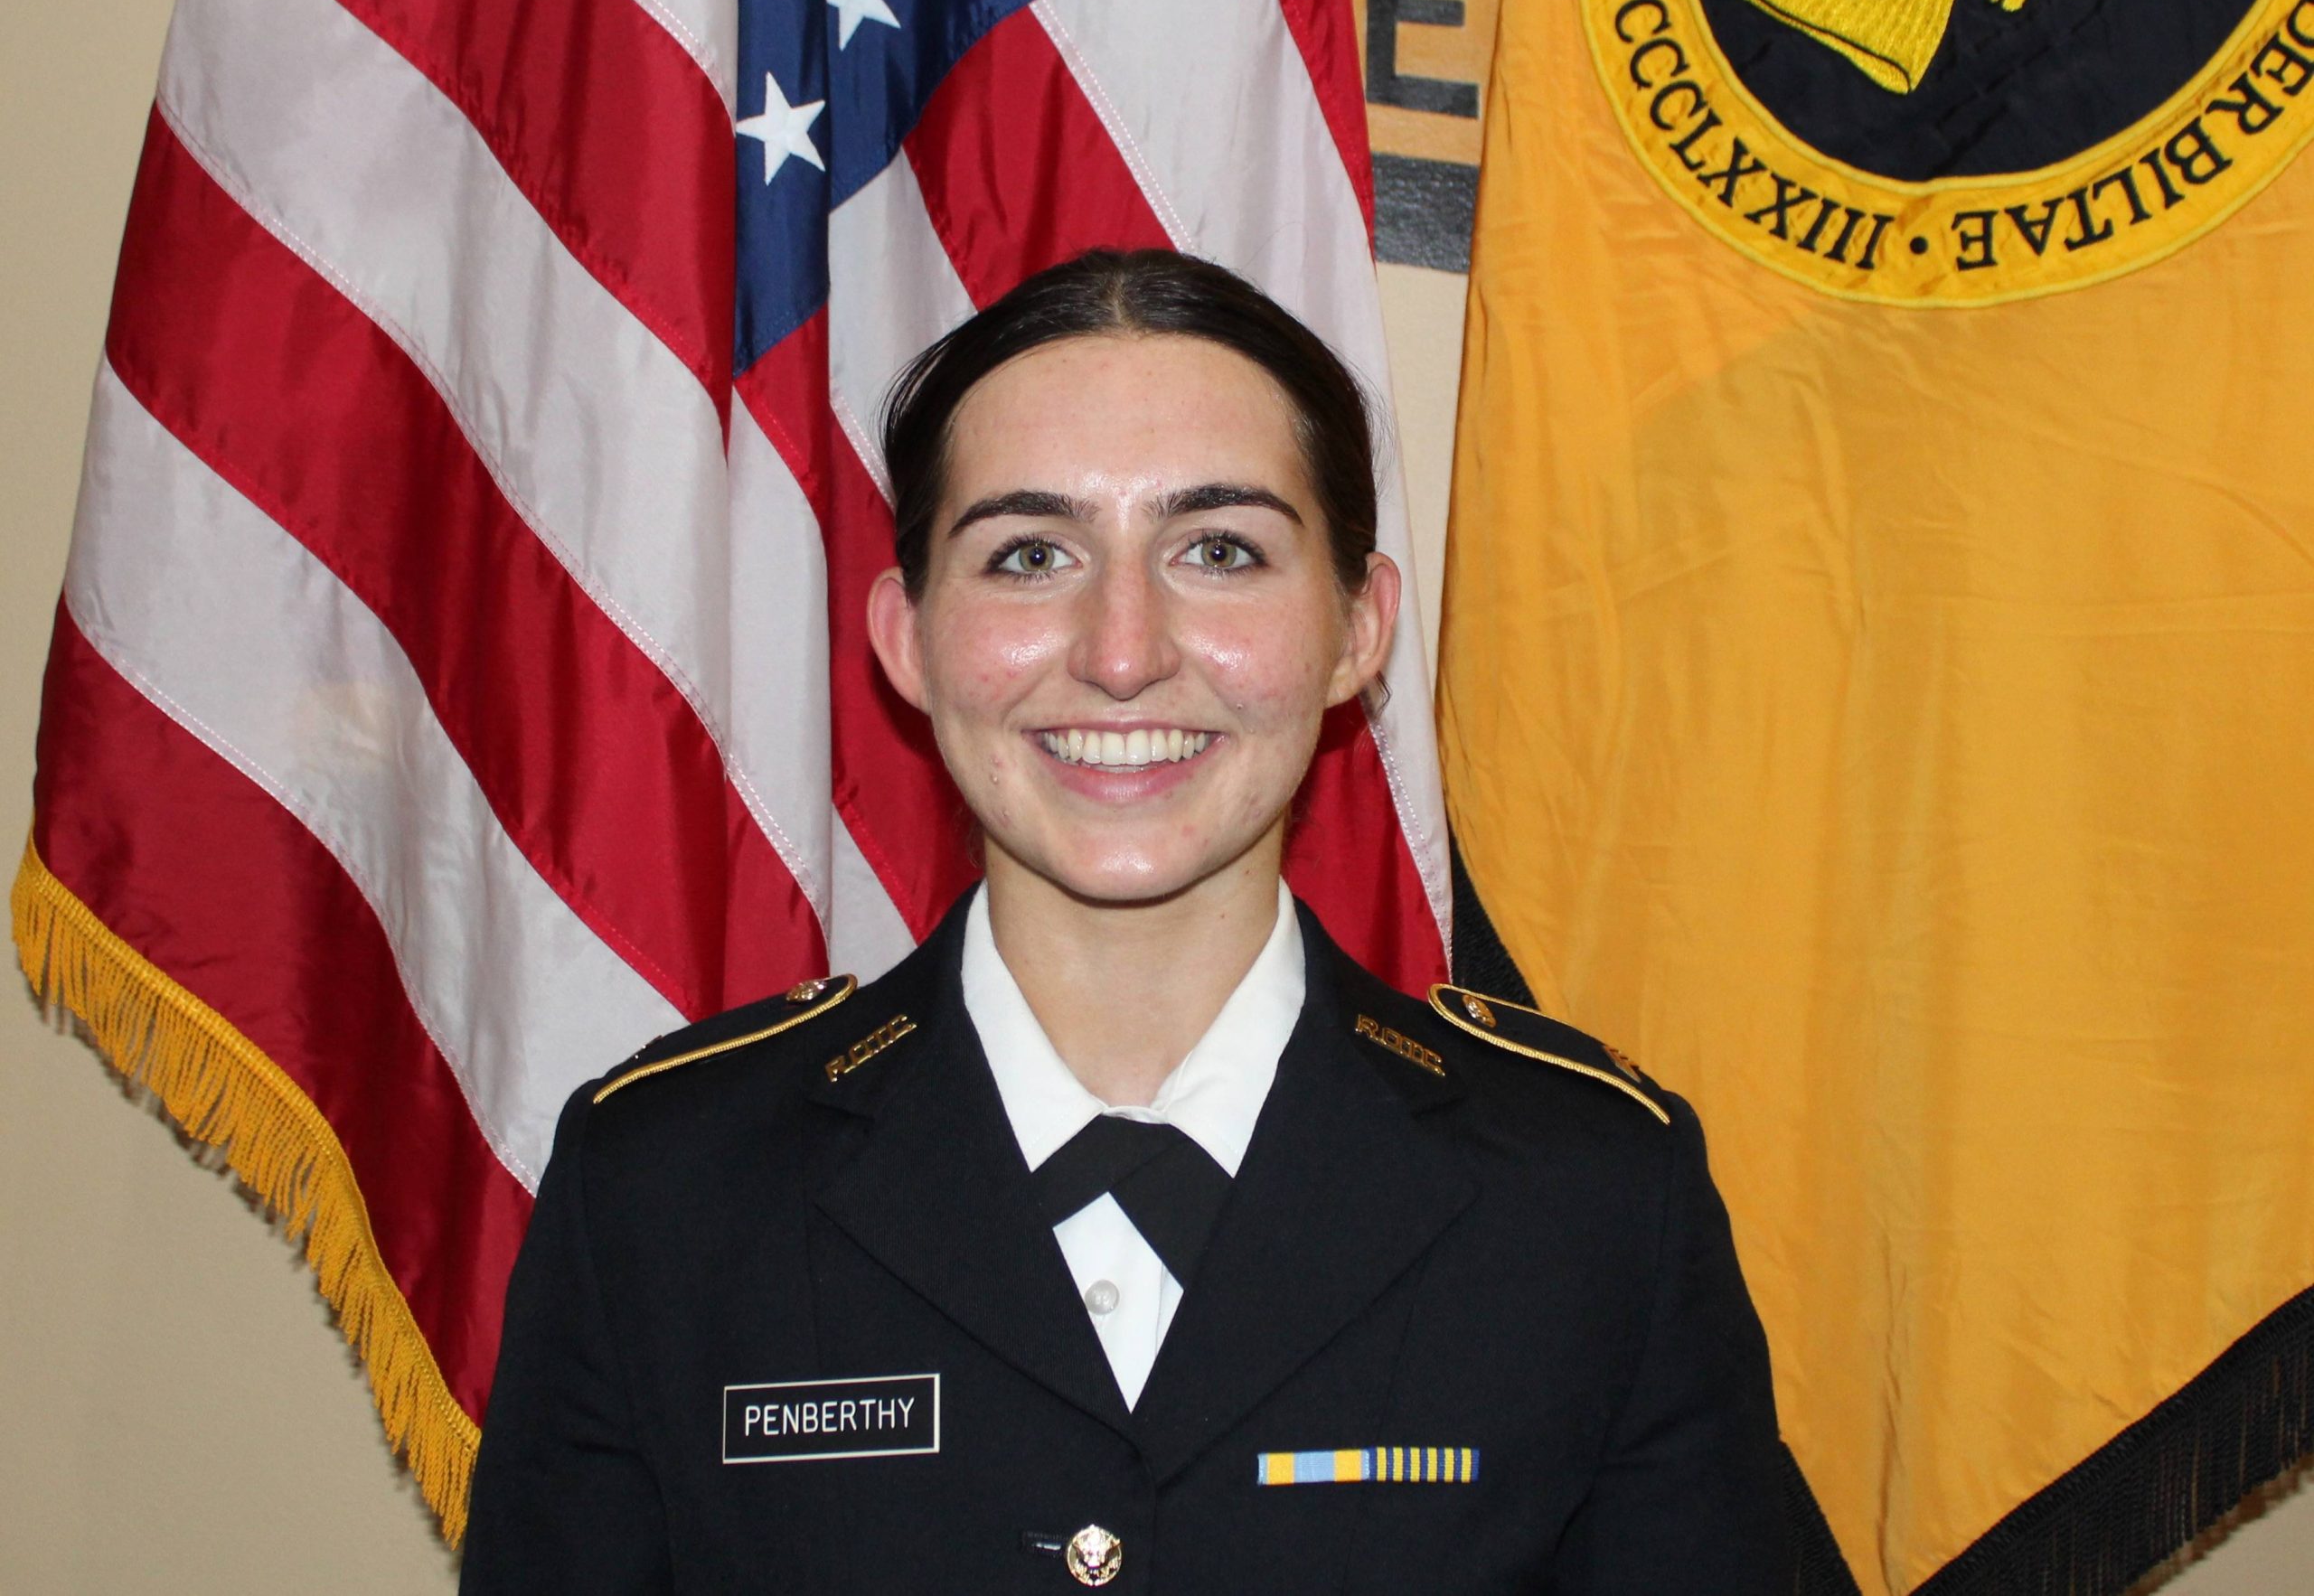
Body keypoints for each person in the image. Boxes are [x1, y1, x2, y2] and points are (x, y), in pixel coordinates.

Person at [460, 249, 1792, 1592]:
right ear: (908, 638)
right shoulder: (668, 1194)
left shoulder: (1591, 1200)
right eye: (1031, 555)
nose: (1120, 651)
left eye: (1218, 550)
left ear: (1357, 628)